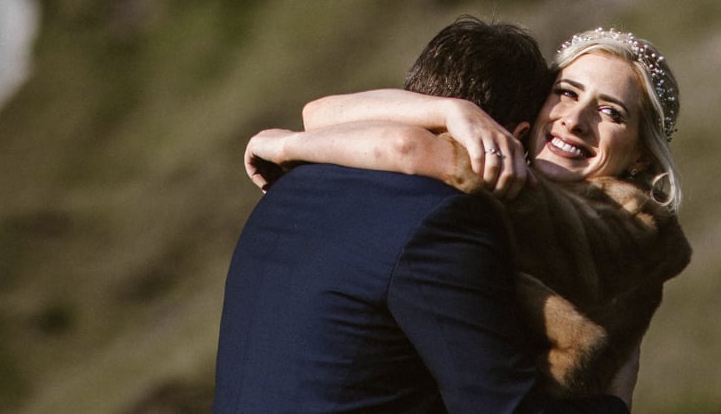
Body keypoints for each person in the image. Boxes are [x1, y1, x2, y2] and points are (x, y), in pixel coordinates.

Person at [244, 23, 690, 399]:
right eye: (566, 93)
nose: (575, 119)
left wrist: (287, 147)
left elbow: (398, 143)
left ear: (640, 157)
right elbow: (318, 111)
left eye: (610, 112)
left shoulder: (631, 228)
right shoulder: (525, 191)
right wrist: (450, 109)